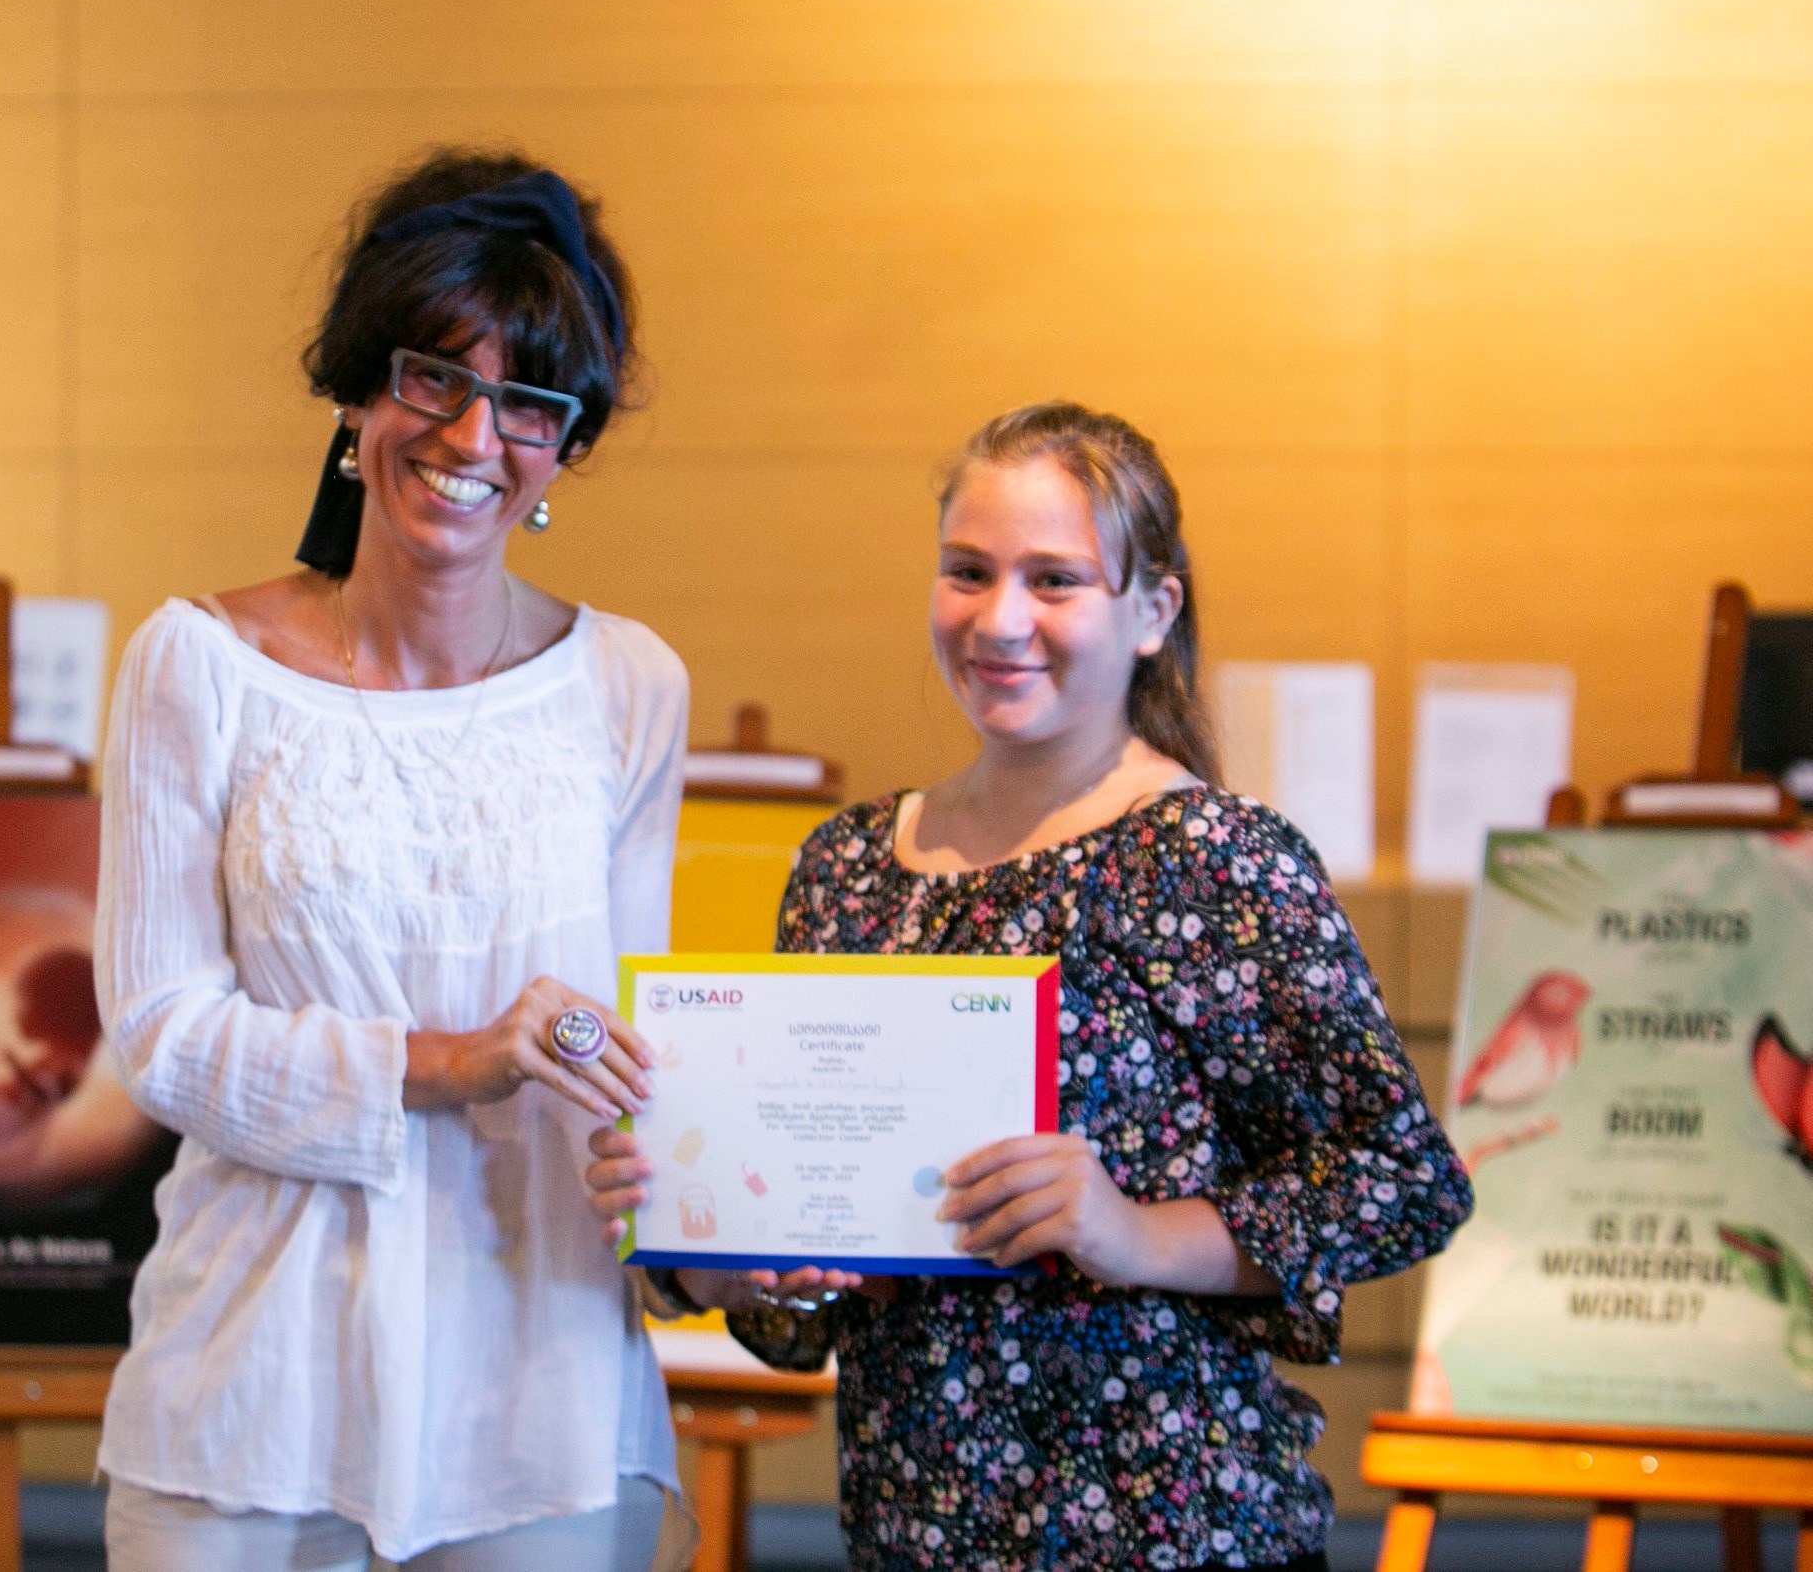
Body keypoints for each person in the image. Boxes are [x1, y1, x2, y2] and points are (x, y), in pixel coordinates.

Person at [587, 402, 1473, 1571]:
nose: (999, 618)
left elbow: (1402, 1180)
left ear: (1152, 610)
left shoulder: (1211, 857)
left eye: (1053, 579)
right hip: (912, 1524)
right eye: (967, 570)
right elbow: (805, 1302)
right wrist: (709, 1244)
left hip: (1173, 1532)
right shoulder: (846, 867)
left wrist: (1135, 1231)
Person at [96, 147, 691, 1571]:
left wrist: (721, 1203)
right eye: (436, 377)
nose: (474, 436)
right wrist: (455, 1060)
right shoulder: (196, 665)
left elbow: (639, 1049)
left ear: (562, 448)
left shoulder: (628, 685)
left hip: (536, 1385)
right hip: (254, 1383)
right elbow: (161, 1034)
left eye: (529, 402)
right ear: (361, 389)